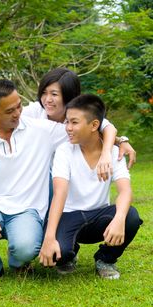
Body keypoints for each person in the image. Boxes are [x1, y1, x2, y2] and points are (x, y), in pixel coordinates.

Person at [0, 79, 69, 282]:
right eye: (9, 111)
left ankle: (18, 261)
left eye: (19, 106)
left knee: (26, 248)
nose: (17, 113)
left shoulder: (42, 130)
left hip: (28, 208)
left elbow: (83, 129)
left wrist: (119, 141)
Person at [39, 94, 142, 279]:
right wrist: (49, 236)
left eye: (74, 123)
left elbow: (125, 191)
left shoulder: (113, 153)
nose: (68, 128)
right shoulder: (64, 151)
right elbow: (59, 193)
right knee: (57, 254)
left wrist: (119, 218)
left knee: (131, 216)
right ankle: (70, 252)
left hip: (98, 216)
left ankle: (105, 259)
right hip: (69, 216)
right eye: (67, 122)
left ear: (94, 125)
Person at [0, 68, 136, 180]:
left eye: (54, 94)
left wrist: (114, 147)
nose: (47, 100)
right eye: (44, 93)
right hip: (39, 178)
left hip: (71, 175)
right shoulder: (36, 111)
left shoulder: (80, 114)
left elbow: (107, 128)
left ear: (69, 96)